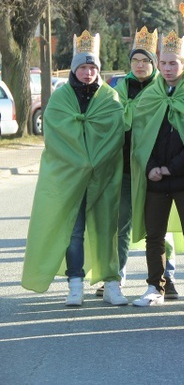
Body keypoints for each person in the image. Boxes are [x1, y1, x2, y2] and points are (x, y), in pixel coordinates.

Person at [22, 30, 128, 307]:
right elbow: (56, 139)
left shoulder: (110, 99)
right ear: (74, 69)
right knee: (74, 230)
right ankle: (75, 284)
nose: (88, 72)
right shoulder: (59, 99)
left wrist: (94, 163)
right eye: (83, 67)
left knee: (106, 229)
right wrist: (82, 163)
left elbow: (114, 136)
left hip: (104, 177)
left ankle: (112, 283)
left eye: (93, 67)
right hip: (70, 178)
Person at [130, 31, 184, 309]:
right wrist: (151, 167)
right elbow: (141, 137)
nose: (168, 68)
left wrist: (170, 168)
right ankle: (154, 286)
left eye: (174, 63)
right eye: (164, 63)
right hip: (154, 179)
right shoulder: (150, 95)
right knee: (154, 236)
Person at [107, 26, 159, 296]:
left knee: (158, 227)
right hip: (126, 168)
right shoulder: (117, 88)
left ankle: (165, 277)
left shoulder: (163, 88)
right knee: (122, 223)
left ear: (154, 63)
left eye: (145, 60)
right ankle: (116, 276)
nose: (140, 65)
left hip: (156, 170)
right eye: (135, 61)